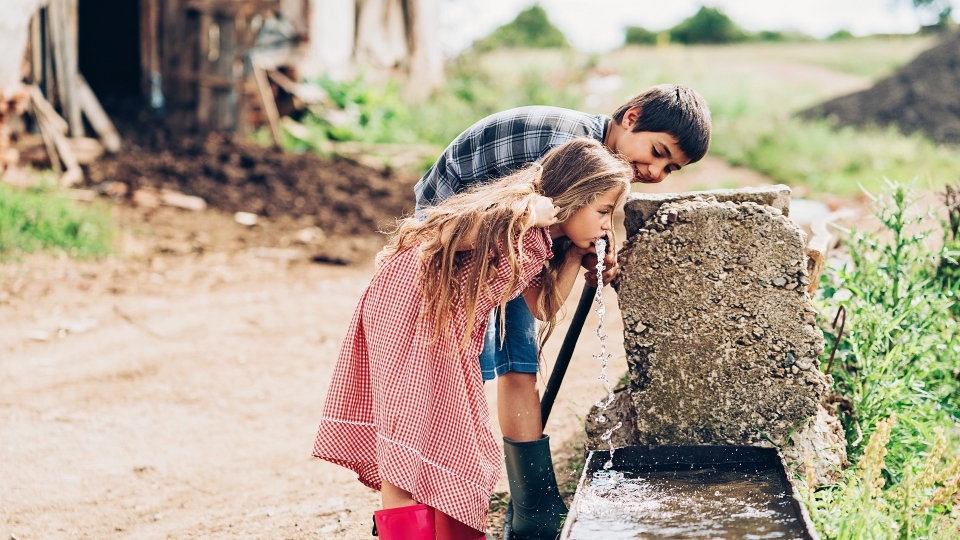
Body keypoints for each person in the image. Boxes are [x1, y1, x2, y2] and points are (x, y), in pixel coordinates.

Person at [414, 83, 712, 538]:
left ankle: (531, 501)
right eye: (657, 152)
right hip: (453, 221)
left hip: (508, 227)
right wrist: (580, 245)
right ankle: (496, 500)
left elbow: (566, 247)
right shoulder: (571, 146)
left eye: (670, 168)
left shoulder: (607, 164)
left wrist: (592, 249)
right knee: (466, 364)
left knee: (520, 358)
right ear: (630, 118)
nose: (656, 171)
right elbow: (543, 230)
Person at [313, 138, 633, 539]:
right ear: (573, 197)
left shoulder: (544, 241)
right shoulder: (518, 211)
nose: (608, 225)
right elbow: (445, 233)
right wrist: (523, 213)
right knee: (409, 429)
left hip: (446, 327)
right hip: (411, 310)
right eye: (603, 212)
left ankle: (448, 530)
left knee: (454, 432)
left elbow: (540, 308)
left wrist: (571, 258)